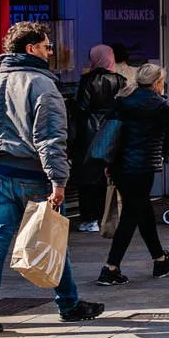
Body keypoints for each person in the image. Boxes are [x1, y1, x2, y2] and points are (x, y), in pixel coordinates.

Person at [0, 23, 104, 334]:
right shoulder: (42, 85)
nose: (50, 51)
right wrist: (58, 180)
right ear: (30, 49)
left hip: (2, 170)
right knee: (52, 237)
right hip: (35, 173)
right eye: (45, 46)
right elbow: (50, 137)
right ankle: (68, 303)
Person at [97, 63, 169, 285]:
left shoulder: (124, 98)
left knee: (143, 213)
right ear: (157, 83)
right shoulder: (155, 104)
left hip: (120, 166)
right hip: (140, 167)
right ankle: (111, 267)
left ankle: (160, 259)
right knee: (130, 217)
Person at [71, 45, 126, 232]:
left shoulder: (87, 80)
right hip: (112, 132)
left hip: (89, 132)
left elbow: (81, 108)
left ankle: (89, 218)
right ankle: (106, 217)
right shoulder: (121, 81)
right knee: (108, 177)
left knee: (88, 179)